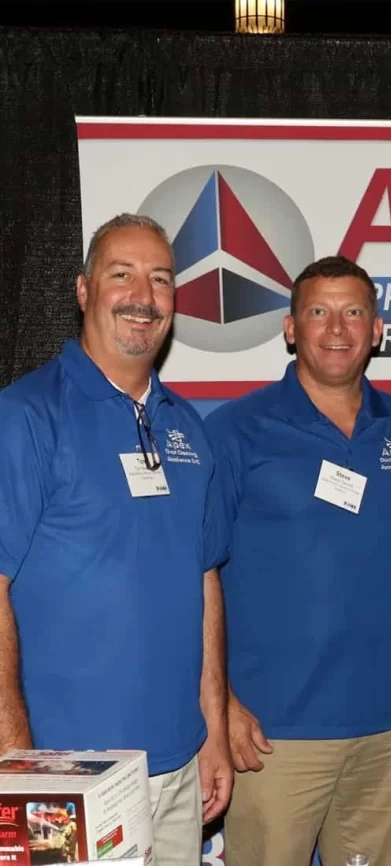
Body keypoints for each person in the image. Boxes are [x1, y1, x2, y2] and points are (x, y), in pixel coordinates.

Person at [0, 213, 233, 865]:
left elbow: (205, 578)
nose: (143, 294)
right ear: (82, 290)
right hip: (62, 781)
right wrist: (16, 765)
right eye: (122, 274)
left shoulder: (188, 428)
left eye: (161, 278)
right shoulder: (25, 417)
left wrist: (212, 728)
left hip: (181, 765)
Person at [205, 255, 391, 866]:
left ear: (377, 329)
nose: (335, 329)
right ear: (291, 328)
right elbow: (193, 571)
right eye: (318, 312)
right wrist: (222, 703)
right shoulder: (237, 430)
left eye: (353, 313)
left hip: (382, 724)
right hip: (271, 731)